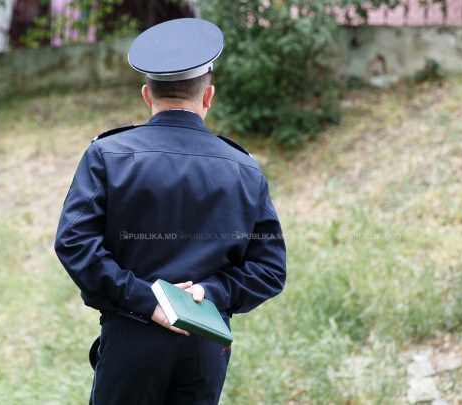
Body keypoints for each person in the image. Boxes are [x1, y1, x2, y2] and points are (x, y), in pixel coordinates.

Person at [54, 18, 287, 405]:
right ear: (208, 96)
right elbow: (269, 269)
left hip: (132, 338)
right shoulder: (244, 168)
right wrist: (206, 292)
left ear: (147, 95)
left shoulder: (108, 154)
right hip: (205, 344)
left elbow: (75, 243)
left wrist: (147, 300)